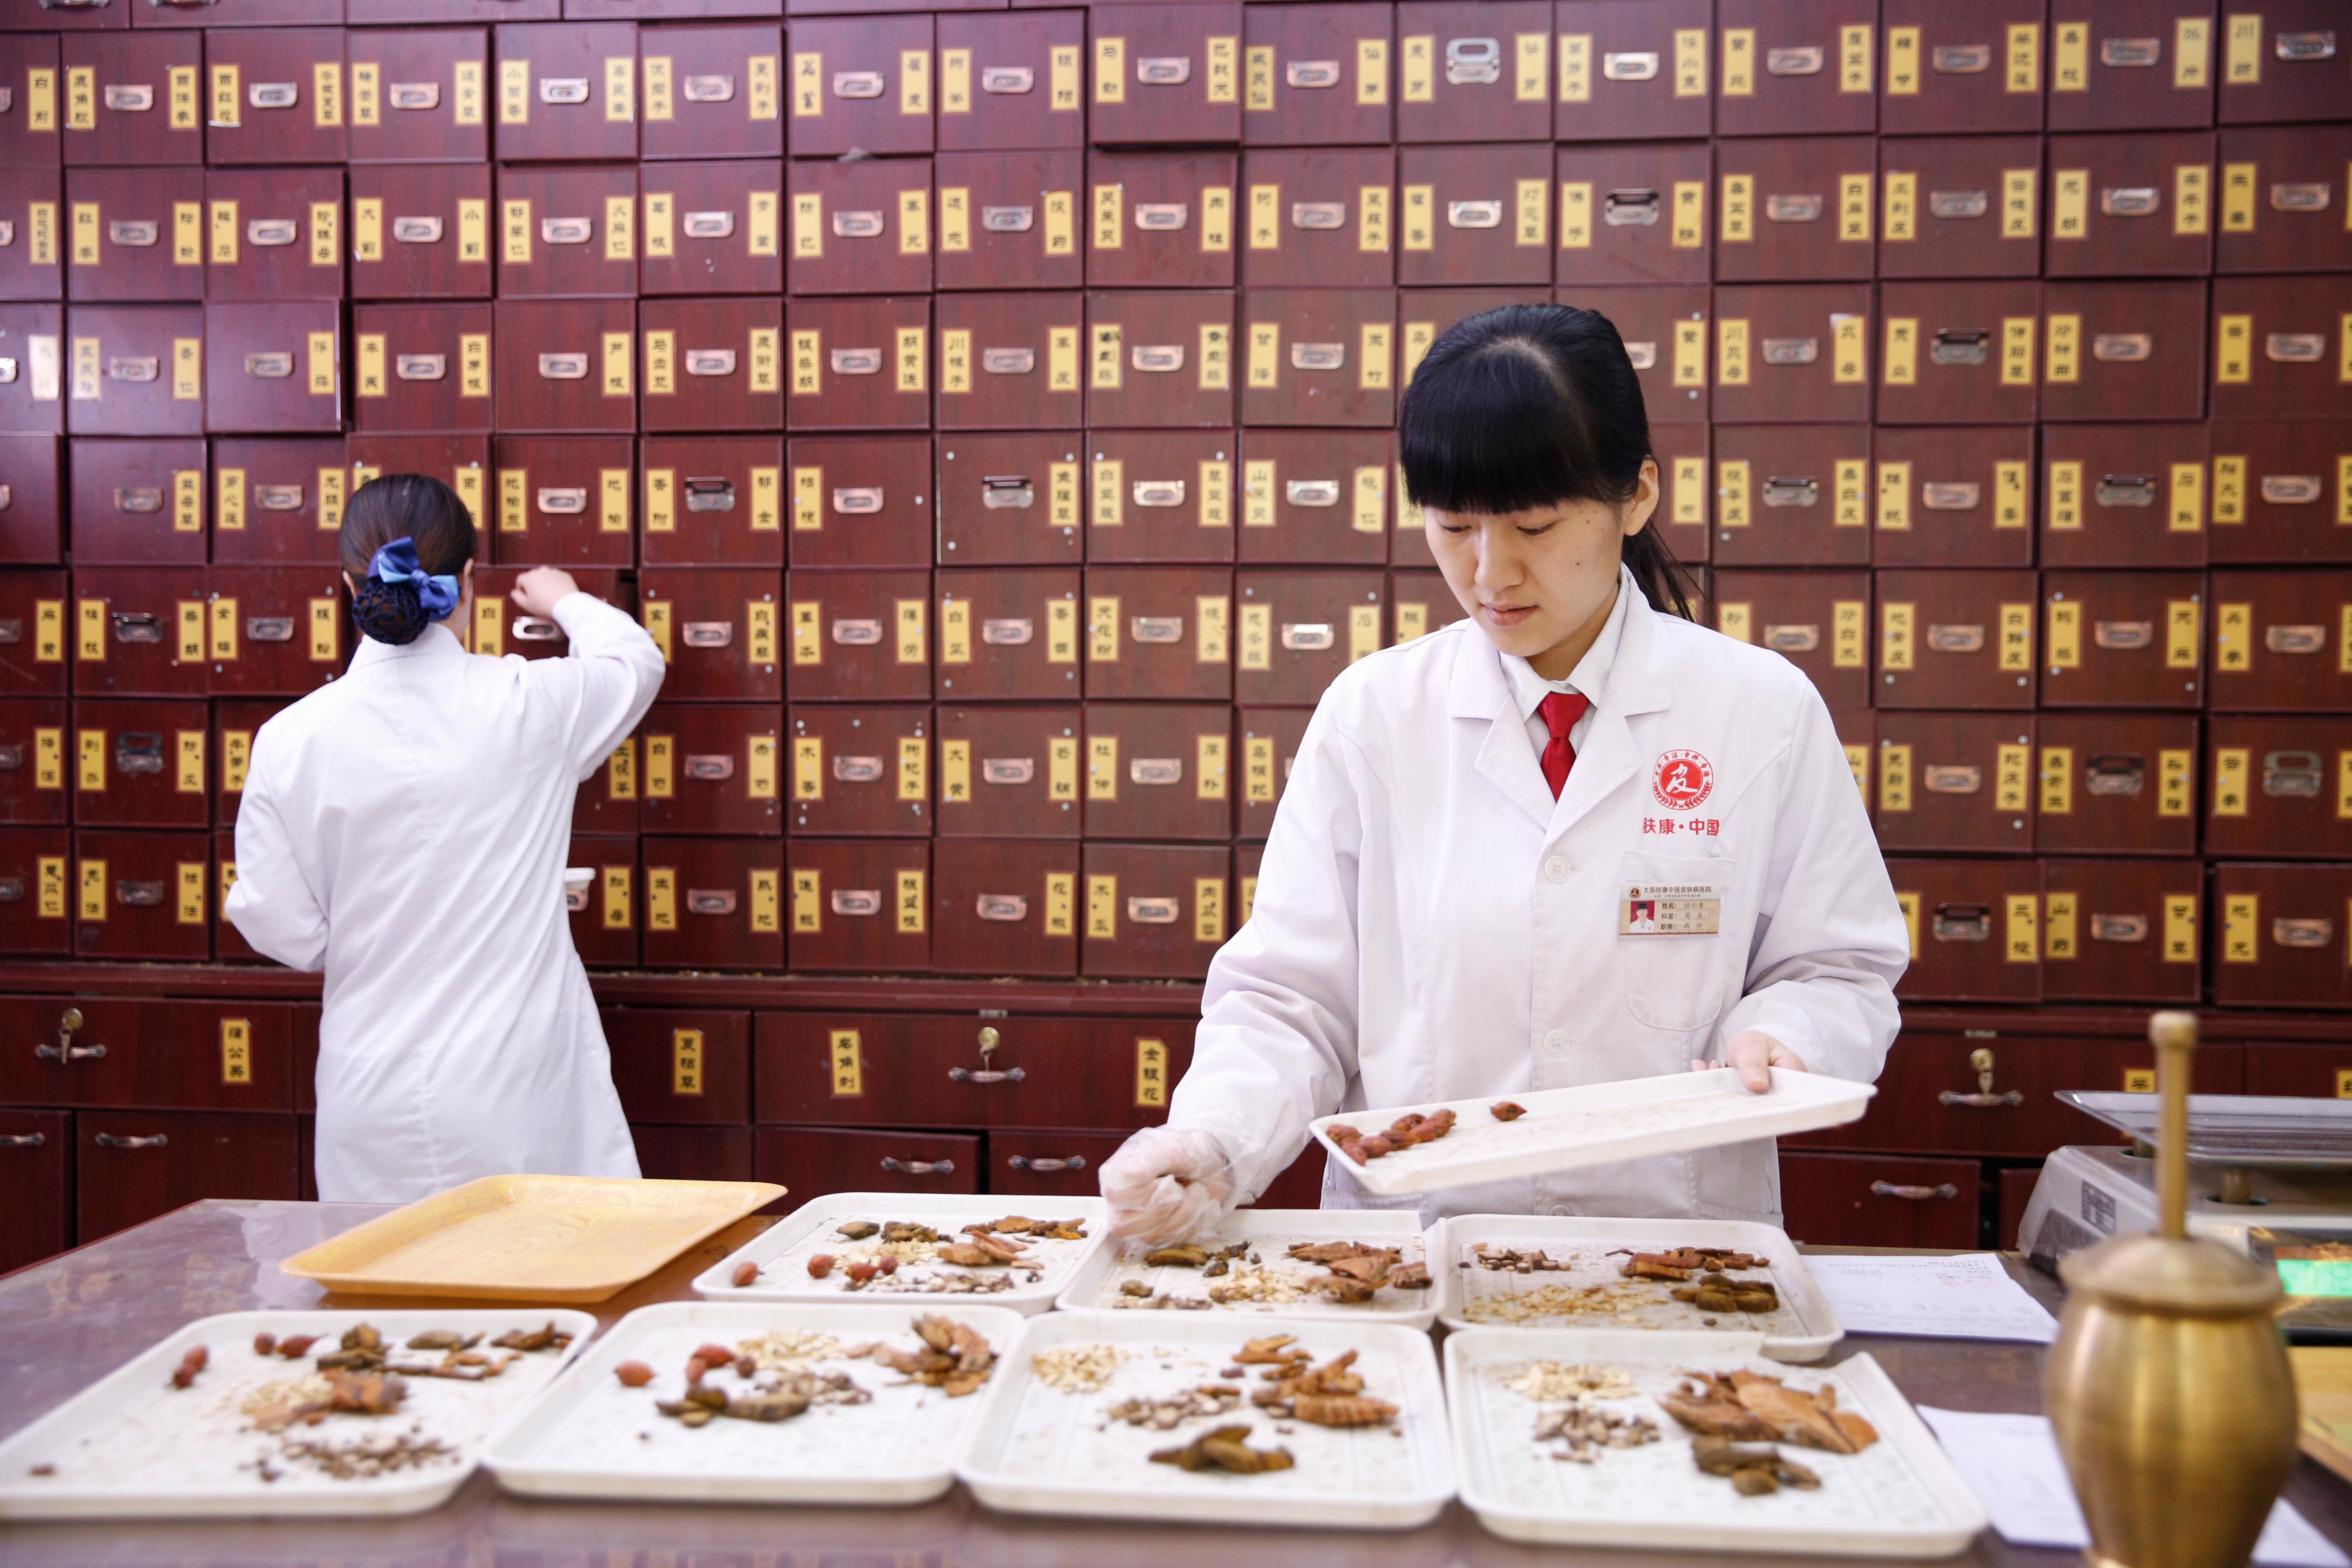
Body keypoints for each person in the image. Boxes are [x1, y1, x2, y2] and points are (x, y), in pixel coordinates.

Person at [1100, 304, 1908, 1242]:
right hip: (1416, 1252)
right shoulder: (1375, 716)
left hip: (1673, 1249)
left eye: (1533, 525)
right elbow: (1293, 998)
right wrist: (1214, 1138)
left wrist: (1791, 1037)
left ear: (1638, 495)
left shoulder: (1759, 711)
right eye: (1455, 528)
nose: (1492, 574)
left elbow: (1837, 965)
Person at [226, 474, 665, 1203]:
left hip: (370, 1093)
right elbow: (634, 663)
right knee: (539, 1303)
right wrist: (565, 602)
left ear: (347, 583)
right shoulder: (530, 703)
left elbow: (288, 931)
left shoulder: (290, 738)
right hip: (515, 1088)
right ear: (469, 582)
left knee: (386, 1306)